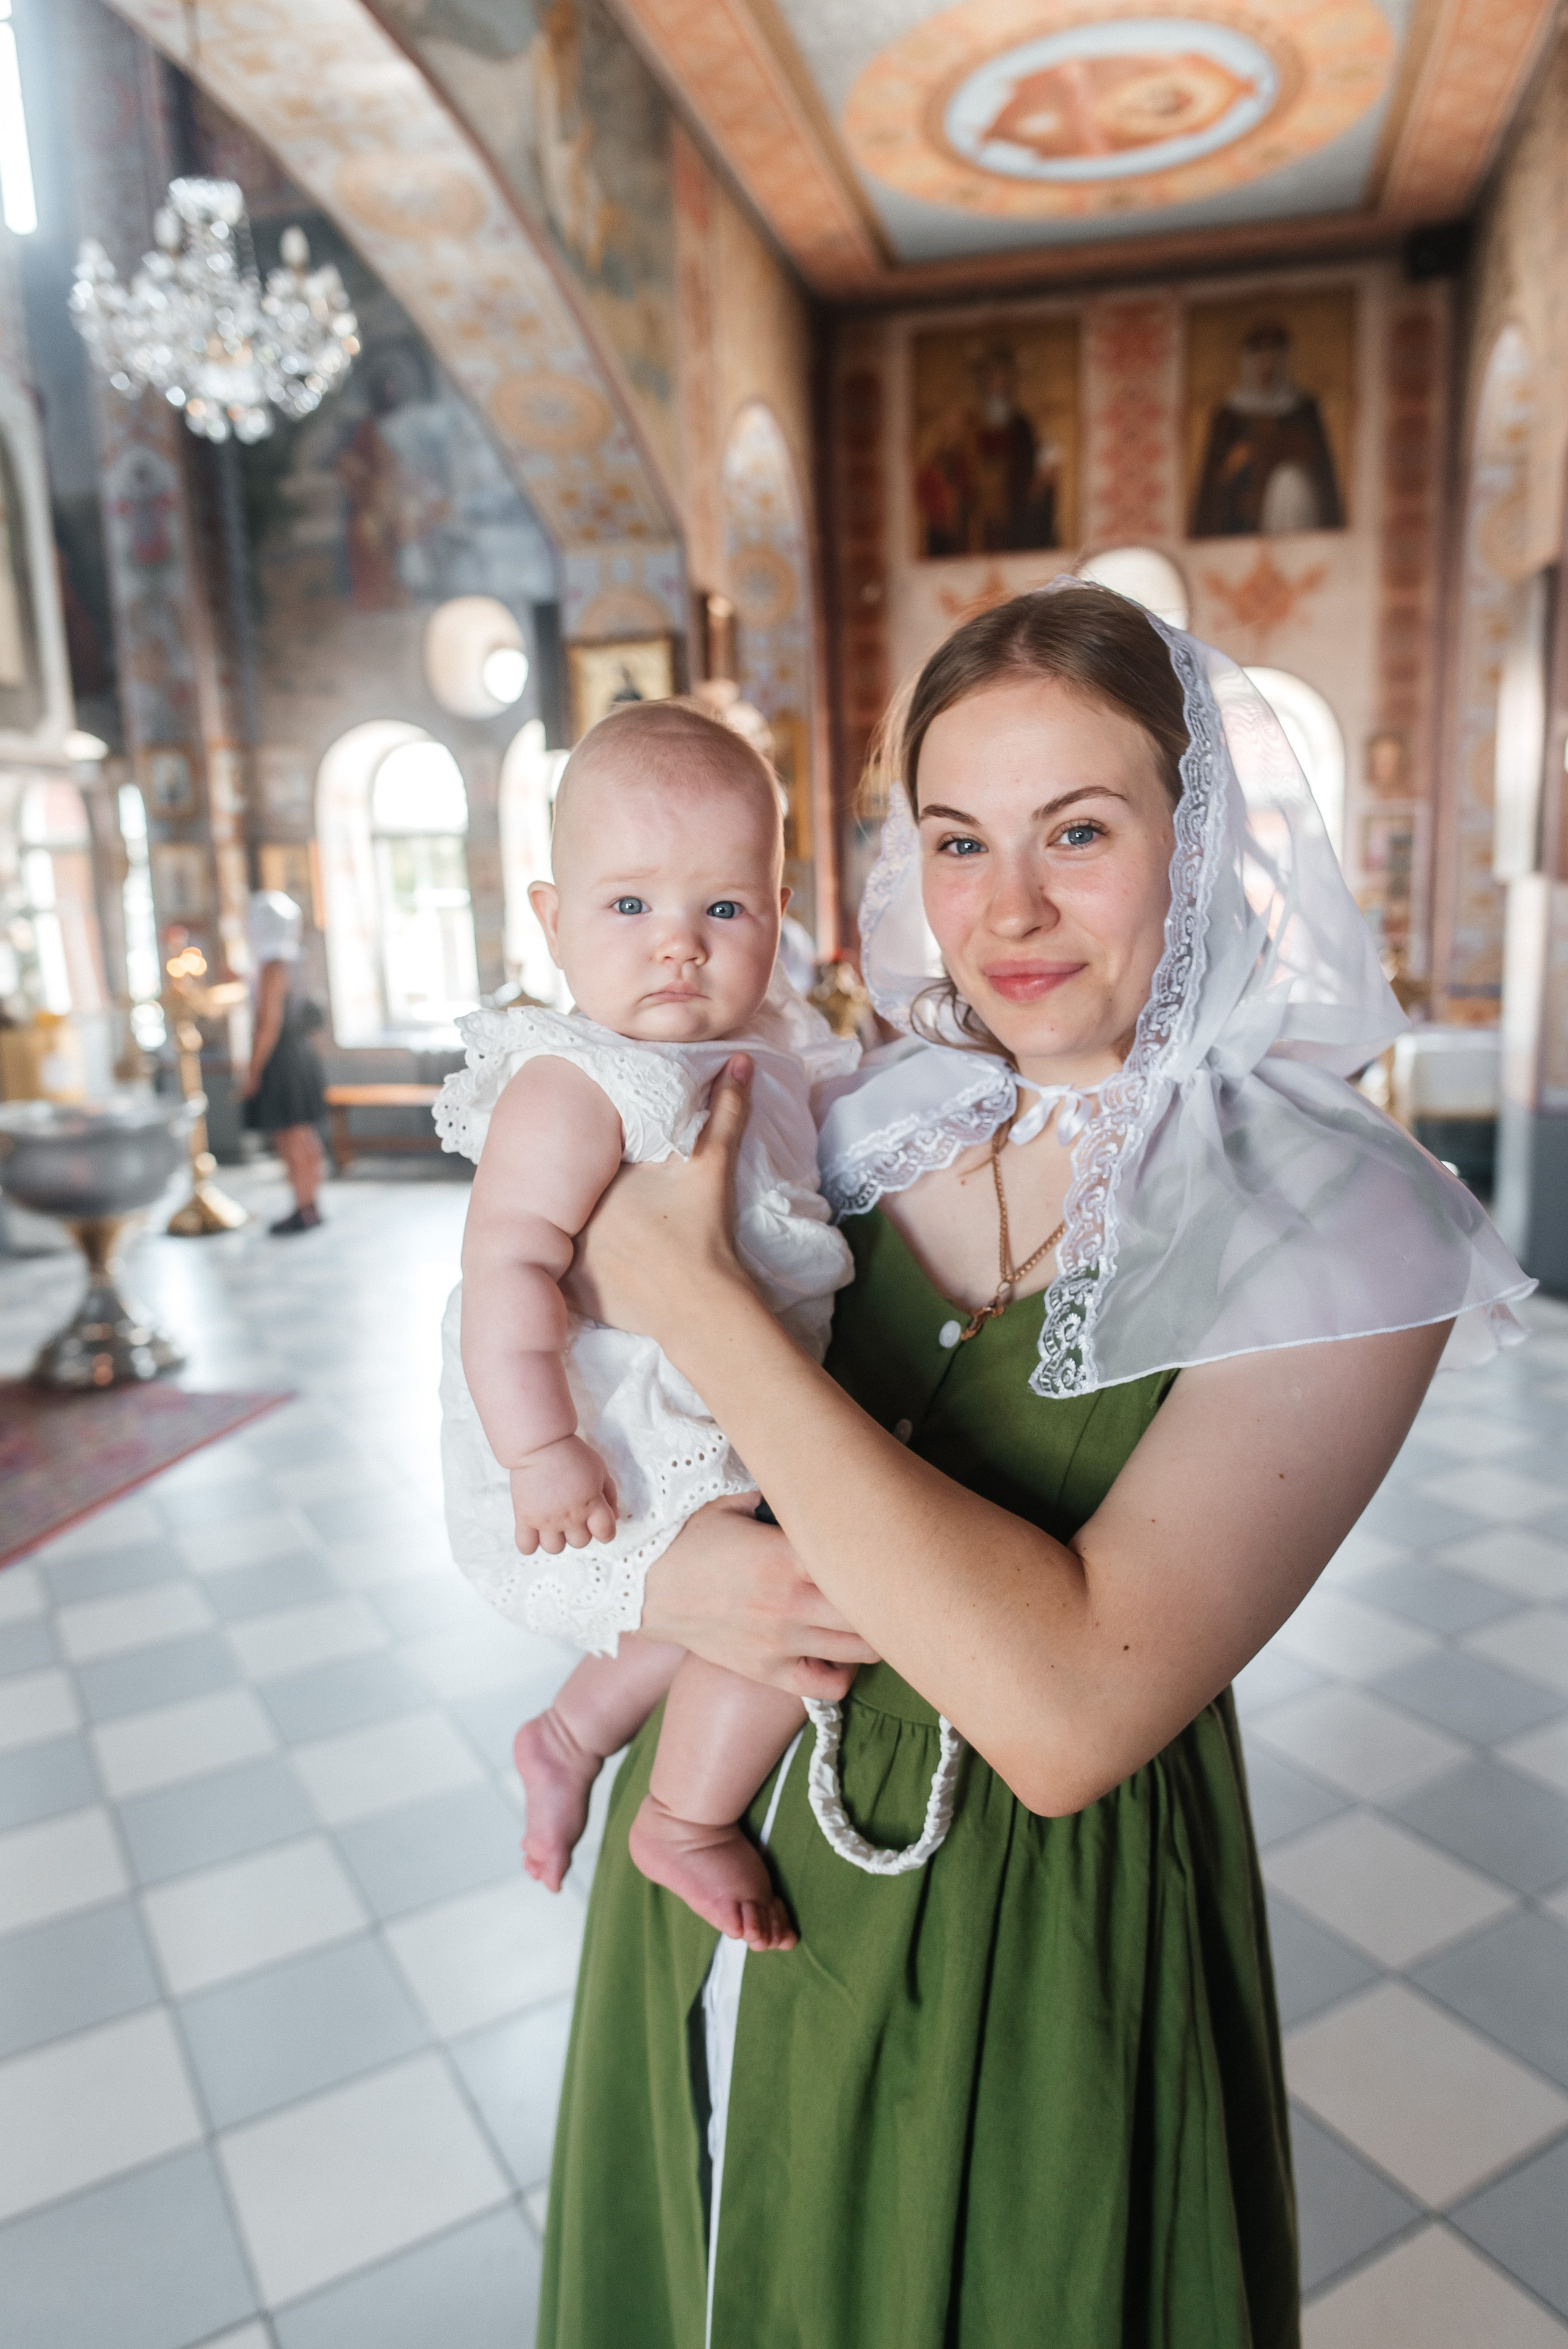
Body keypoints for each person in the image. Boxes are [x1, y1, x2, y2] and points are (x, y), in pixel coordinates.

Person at [537, 584, 1531, 2346]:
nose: (1009, 909)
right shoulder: (847, 1108)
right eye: (957, 838)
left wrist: (702, 1301)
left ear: (1201, 837)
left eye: (1079, 830)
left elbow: (1069, 1715)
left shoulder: (1343, 1214)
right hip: (712, 1862)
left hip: (1028, 1935)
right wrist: (669, 1578)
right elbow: (572, 1443)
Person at [434, 699, 859, 1949]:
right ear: (551, 919)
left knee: (738, 1602)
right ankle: (679, 1814)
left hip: (736, 1400)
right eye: (629, 908)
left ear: (775, 916)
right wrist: (538, 1448)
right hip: (611, 1426)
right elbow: (505, 1265)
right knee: (796, 1612)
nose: (677, 947)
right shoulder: (578, 1081)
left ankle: (569, 1734)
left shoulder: (763, 1048)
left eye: (721, 910)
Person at [1190, 320, 1344, 537]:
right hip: (1241, 522)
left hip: (1292, 514)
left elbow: (1321, 471)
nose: (1267, 362)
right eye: (1260, 354)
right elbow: (1211, 490)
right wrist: (1230, 469)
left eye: (1274, 353)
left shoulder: (1303, 409)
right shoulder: (1229, 414)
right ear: (1249, 360)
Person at [238, 890, 328, 1236]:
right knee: (303, 1134)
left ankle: (304, 1206)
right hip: (300, 1053)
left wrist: (253, 1069)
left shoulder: (273, 964)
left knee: (292, 1136)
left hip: (283, 1057)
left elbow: (269, 1023)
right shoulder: (296, 960)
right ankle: (309, 1204)